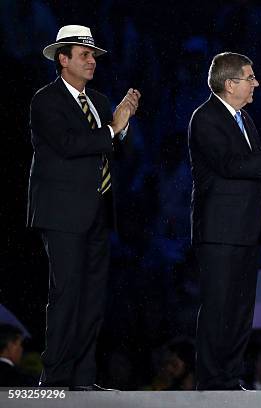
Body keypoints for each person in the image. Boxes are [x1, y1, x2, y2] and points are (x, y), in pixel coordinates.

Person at [27, 25, 140, 389]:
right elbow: (67, 143)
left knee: (92, 299)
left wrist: (121, 128)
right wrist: (111, 129)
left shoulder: (101, 101)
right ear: (63, 59)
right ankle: (55, 379)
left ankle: (82, 379)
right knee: (66, 294)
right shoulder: (46, 100)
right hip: (62, 213)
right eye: (84, 55)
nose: (92, 61)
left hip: (98, 212)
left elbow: (114, 151)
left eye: (93, 56)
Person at [188, 52, 261, 390]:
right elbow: (229, 164)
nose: (256, 83)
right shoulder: (206, 118)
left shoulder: (245, 119)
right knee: (218, 307)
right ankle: (211, 382)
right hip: (219, 231)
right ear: (230, 84)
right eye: (250, 77)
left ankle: (228, 377)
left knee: (240, 311)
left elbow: (254, 167)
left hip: (245, 229)